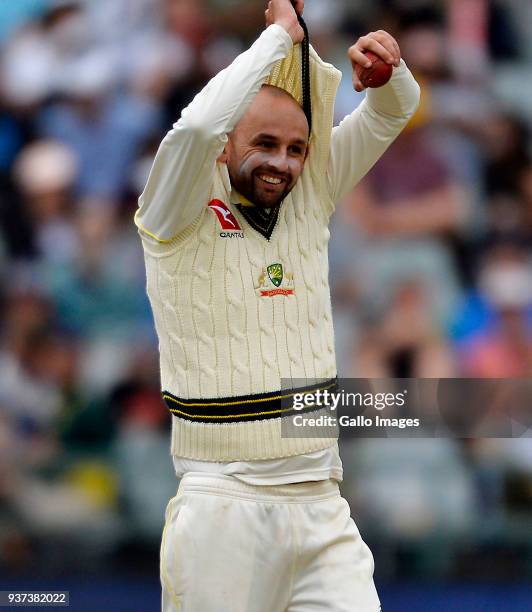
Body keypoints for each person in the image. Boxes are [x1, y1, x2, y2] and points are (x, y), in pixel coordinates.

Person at [135, 1, 419, 610]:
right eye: (264, 142)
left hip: (322, 502)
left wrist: (388, 72)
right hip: (223, 505)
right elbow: (194, 129)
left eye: (296, 147)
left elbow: (395, 112)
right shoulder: (175, 205)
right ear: (226, 144)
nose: (282, 163)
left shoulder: (307, 193)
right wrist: (275, 42)